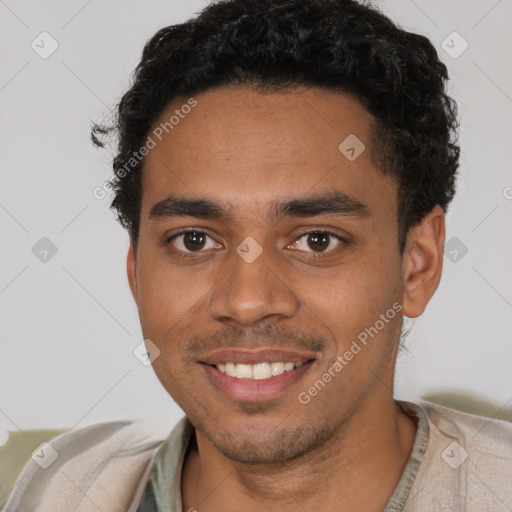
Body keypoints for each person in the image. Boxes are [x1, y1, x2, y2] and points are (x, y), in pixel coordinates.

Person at [4, 0, 511, 510]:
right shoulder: (57, 486)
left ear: (417, 264)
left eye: (317, 240)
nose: (247, 301)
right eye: (194, 240)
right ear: (136, 270)